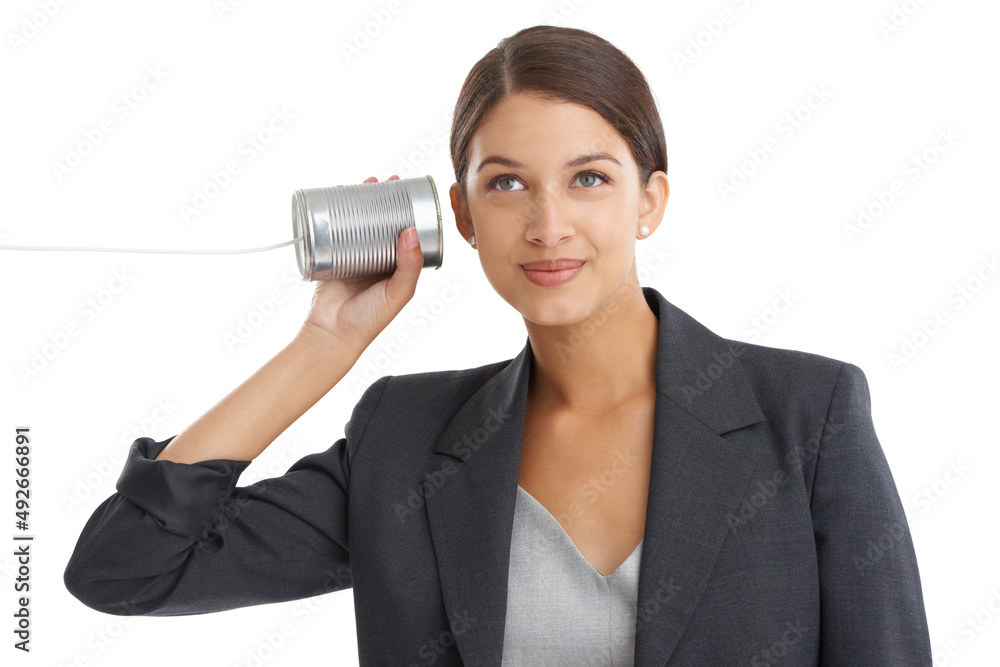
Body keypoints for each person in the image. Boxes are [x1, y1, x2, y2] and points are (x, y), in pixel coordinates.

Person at [63, 24, 932, 665]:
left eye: (589, 178)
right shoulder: (405, 438)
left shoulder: (807, 416)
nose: (548, 224)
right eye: (507, 182)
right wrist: (323, 346)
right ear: (465, 217)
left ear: (650, 201)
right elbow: (125, 569)